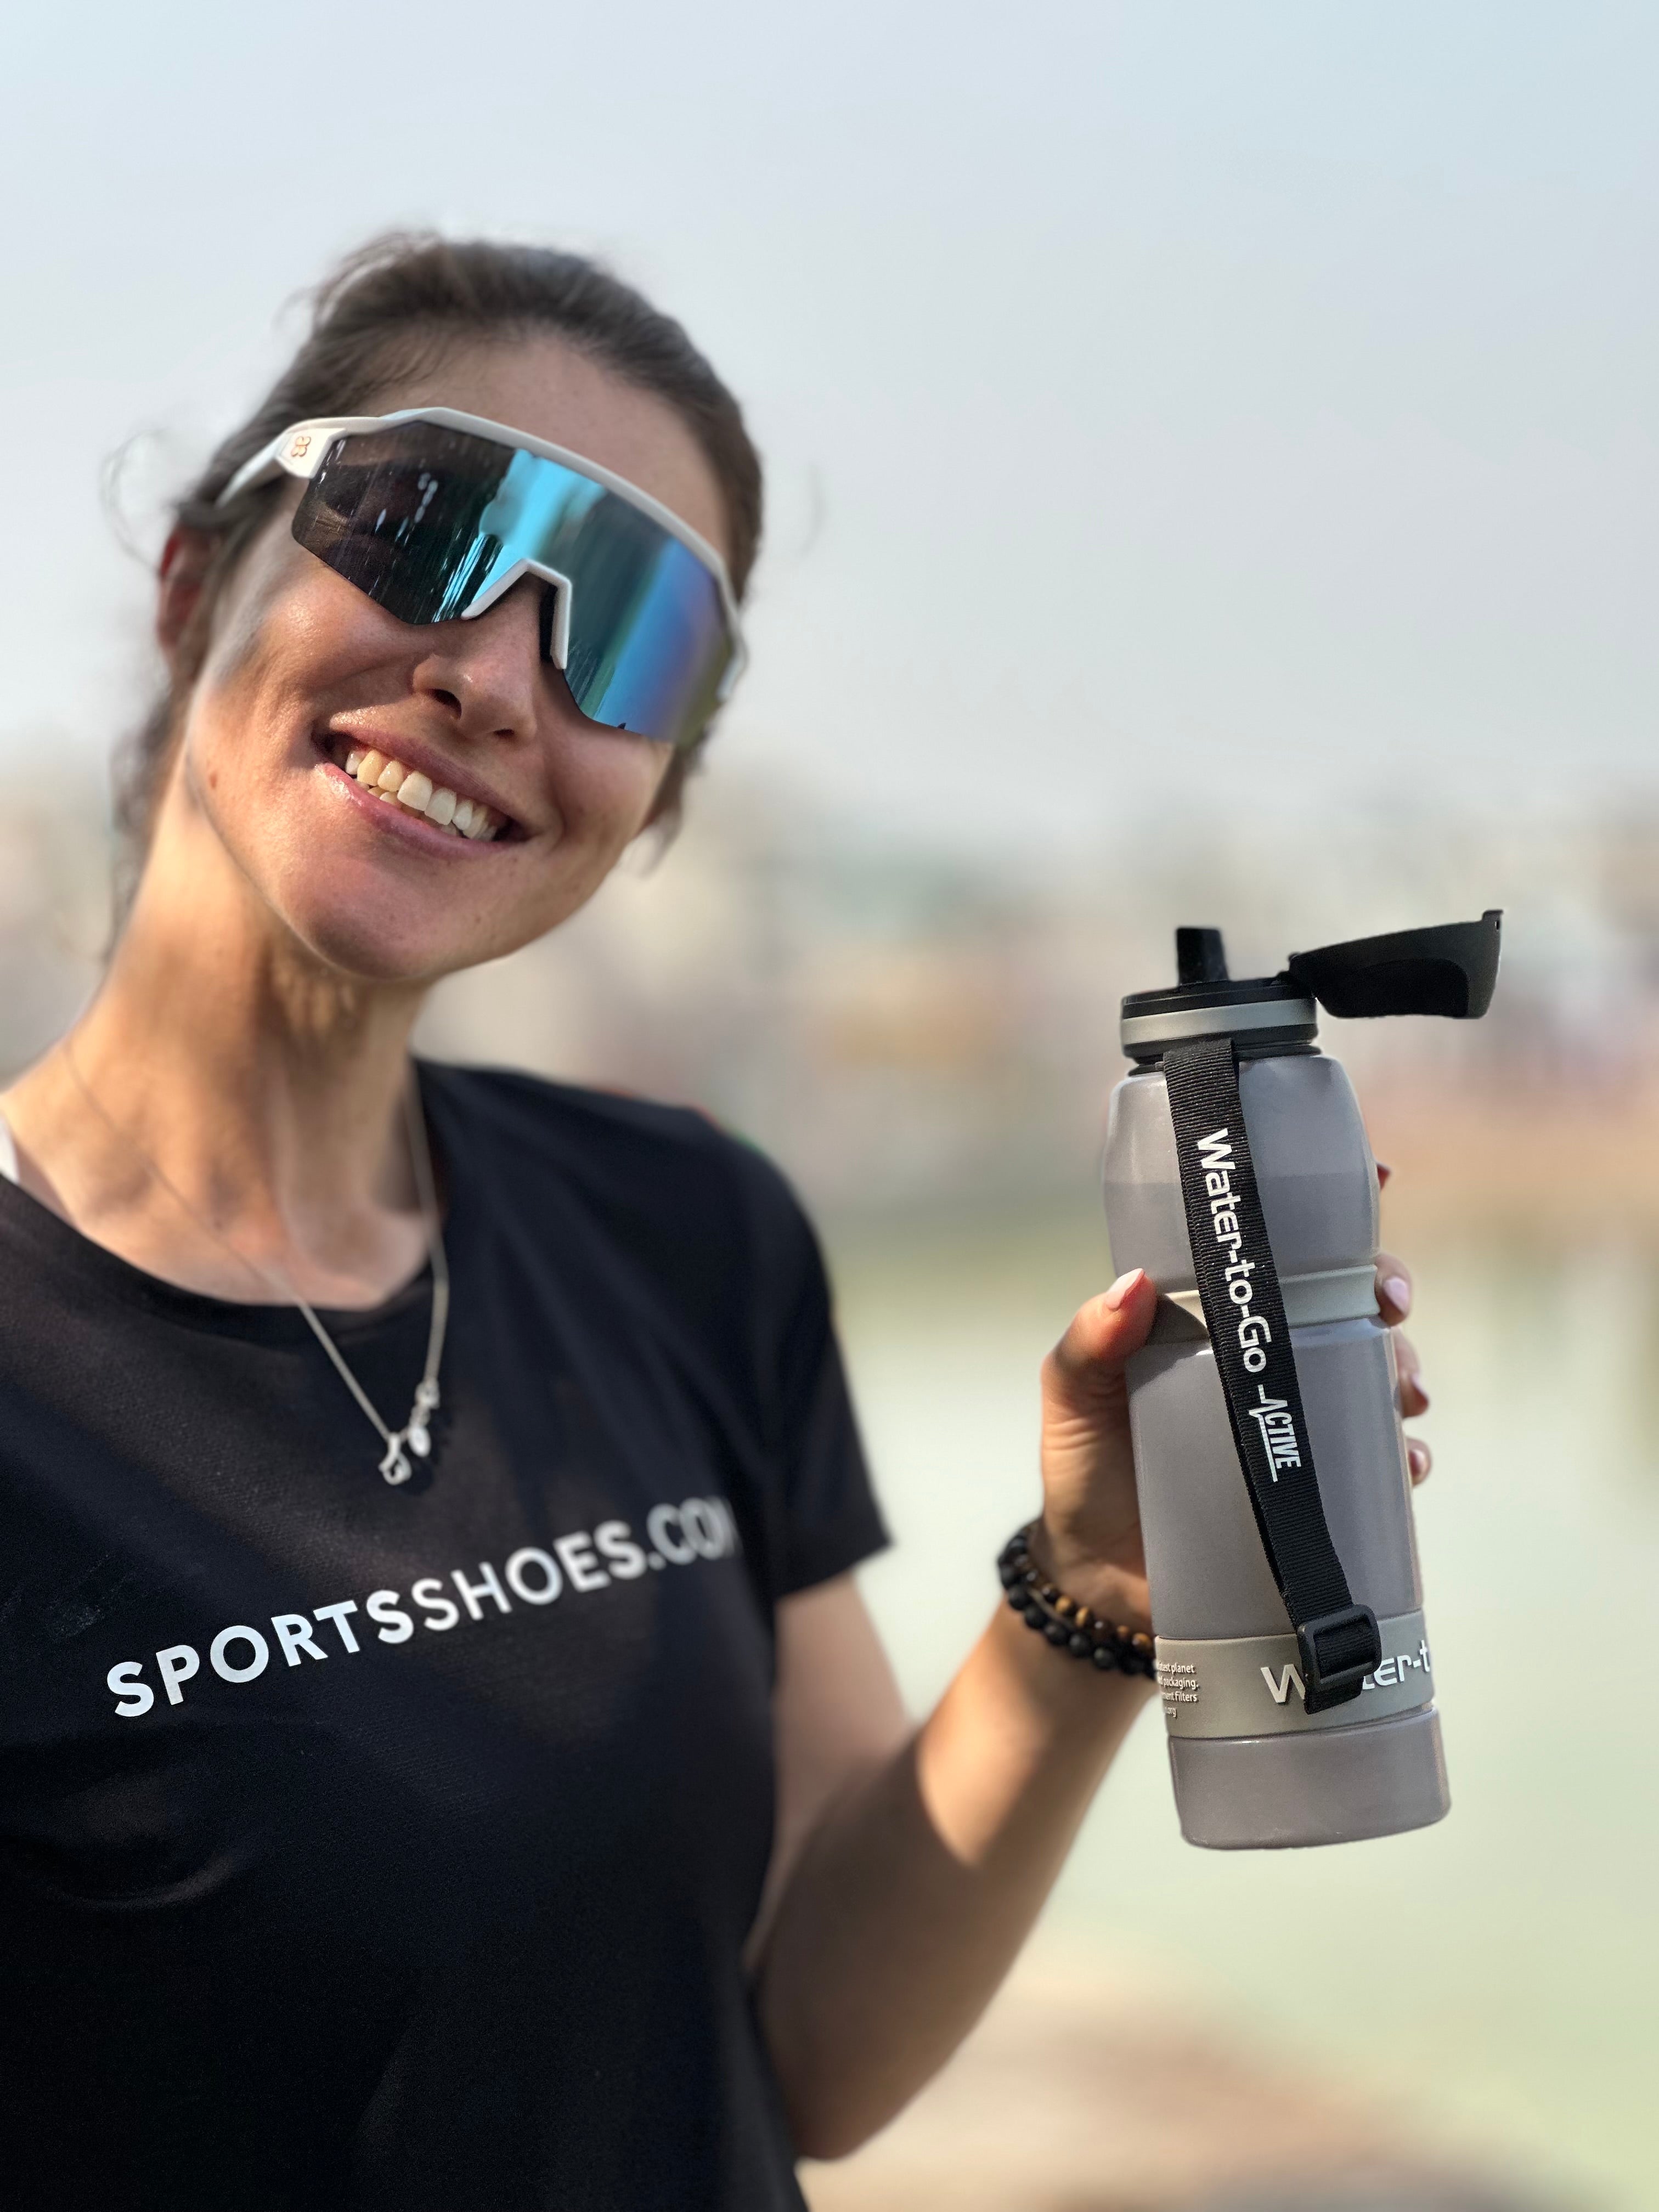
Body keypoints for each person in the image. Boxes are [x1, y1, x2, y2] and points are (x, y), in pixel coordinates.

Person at [0, 234, 1431, 2211]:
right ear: (191, 586)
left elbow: (817, 2052)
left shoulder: (683, 1230)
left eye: (636, 635)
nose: (497, 675)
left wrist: (1096, 1595)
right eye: (421, 526)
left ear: (654, 791)